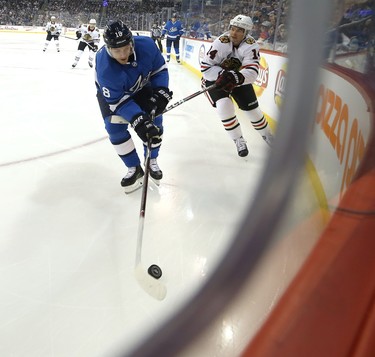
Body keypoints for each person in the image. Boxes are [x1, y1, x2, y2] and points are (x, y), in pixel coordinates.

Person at [95, 20, 173, 193]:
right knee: (114, 127)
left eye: (126, 48)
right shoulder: (105, 67)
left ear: (132, 42)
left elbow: (159, 70)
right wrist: (138, 119)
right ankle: (134, 168)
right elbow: (118, 102)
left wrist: (161, 91)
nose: (123, 55)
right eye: (116, 50)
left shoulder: (147, 45)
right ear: (108, 48)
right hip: (115, 96)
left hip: (141, 86)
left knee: (155, 120)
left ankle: (151, 159)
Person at [200, 14, 273, 157]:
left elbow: (252, 73)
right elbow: (206, 68)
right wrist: (222, 75)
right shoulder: (220, 42)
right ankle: (238, 139)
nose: (234, 33)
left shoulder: (251, 45)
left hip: (238, 80)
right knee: (224, 107)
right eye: (232, 29)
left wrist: (236, 77)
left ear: (246, 33)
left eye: (239, 30)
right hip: (216, 79)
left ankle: (267, 135)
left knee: (253, 112)